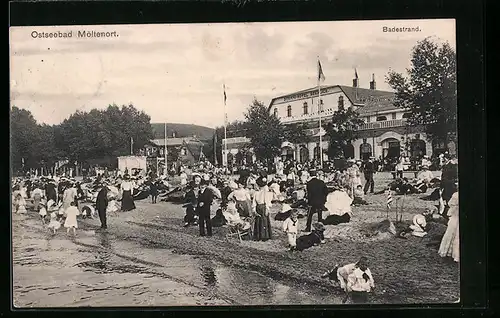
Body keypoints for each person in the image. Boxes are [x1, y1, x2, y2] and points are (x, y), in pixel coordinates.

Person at [438, 186, 459, 262]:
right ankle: (453, 253)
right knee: (455, 234)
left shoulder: (456, 195)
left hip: (455, 216)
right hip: (456, 216)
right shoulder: (456, 195)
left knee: (453, 233)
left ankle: (452, 253)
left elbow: (450, 205)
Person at [252, 177, 273, 241]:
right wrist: (254, 210)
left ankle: (264, 236)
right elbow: (254, 202)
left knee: (264, 221)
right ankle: (258, 236)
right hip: (258, 207)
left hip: (263, 207)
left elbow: (267, 201)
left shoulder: (264, 192)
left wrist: (267, 209)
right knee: (258, 220)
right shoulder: (255, 193)